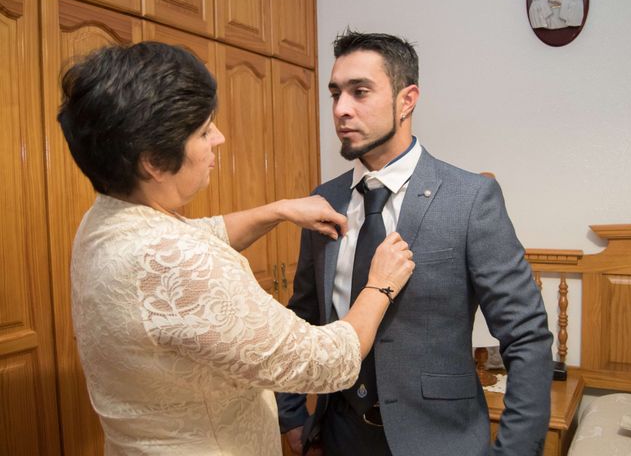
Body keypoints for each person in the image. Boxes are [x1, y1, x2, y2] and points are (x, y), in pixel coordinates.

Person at [57, 41, 415, 455]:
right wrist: (380, 286)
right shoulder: (181, 263)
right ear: (154, 161)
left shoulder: (104, 221)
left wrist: (277, 210)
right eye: (204, 130)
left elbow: (195, 235)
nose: (219, 138)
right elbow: (321, 362)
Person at [277, 31, 553, 456]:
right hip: (338, 436)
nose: (341, 109)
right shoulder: (325, 201)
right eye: (335, 94)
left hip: (440, 441)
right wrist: (293, 413)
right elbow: (303, 316)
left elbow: (527, 337)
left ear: (407, 100)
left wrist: (514, 451)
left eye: (360, 92)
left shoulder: (470, 199)